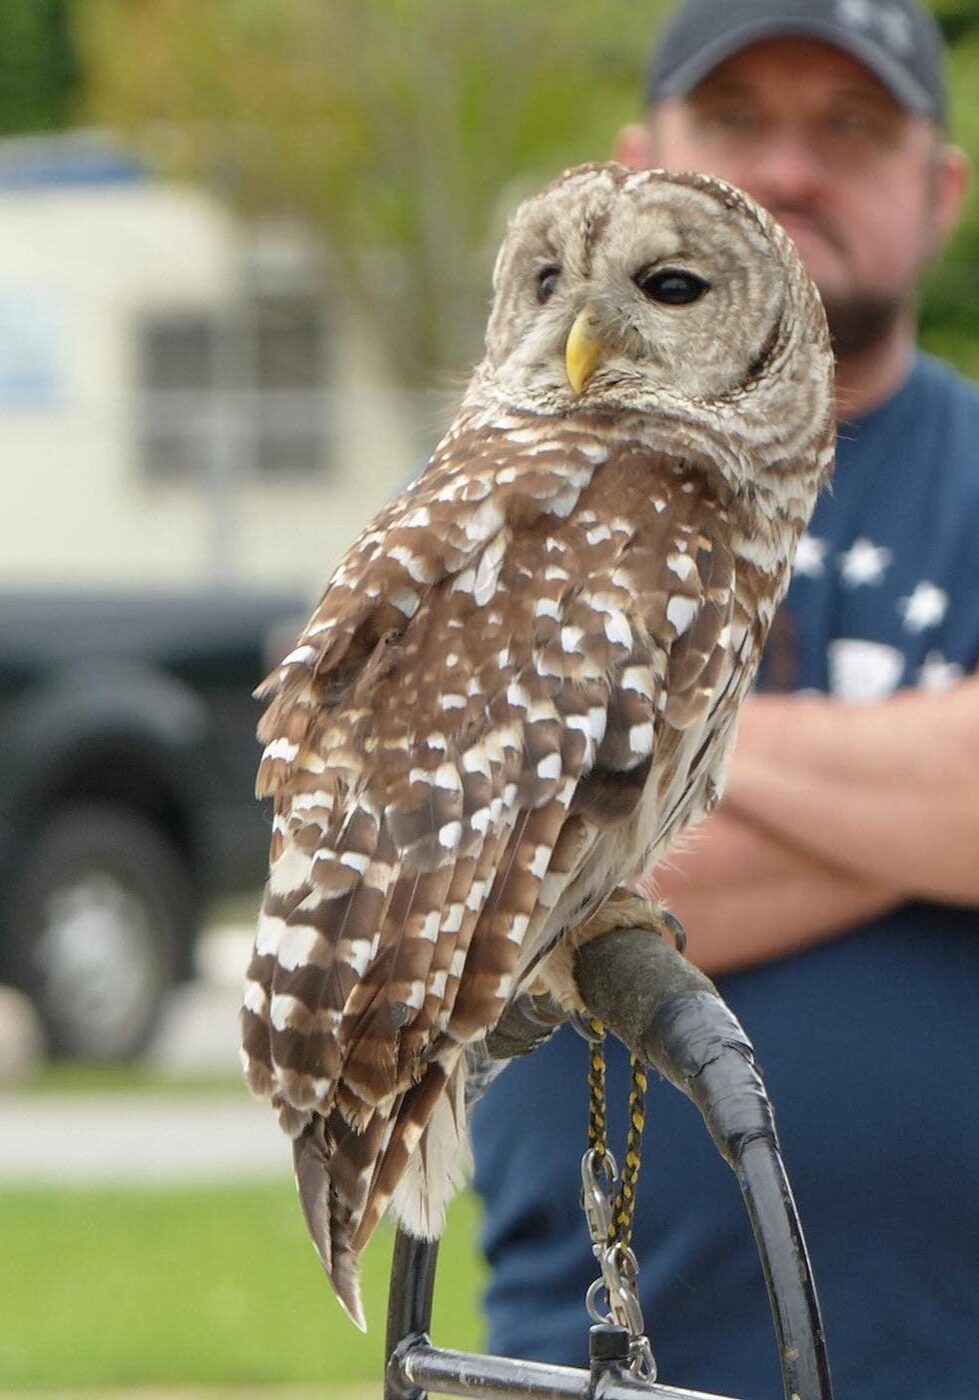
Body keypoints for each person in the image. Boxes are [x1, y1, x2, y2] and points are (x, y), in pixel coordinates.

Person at [470, 2, 979, 1396]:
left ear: (942, 188)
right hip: (588, 1358)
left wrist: (616, 767)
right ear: (640, 166)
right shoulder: (508, 496)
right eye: (739, 122)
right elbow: (462, 914)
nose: (795, 169)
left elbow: (534, 847)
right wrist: (924, 802)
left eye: (853, 127)